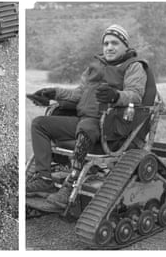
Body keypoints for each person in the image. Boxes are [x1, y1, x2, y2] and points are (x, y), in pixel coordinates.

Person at [27, 24, 148, 208]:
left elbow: (135, 95)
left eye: (115, 43)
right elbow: (78, 94)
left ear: (125, 45)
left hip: (108, 126)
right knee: (39, 124)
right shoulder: (94, 66)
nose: (109, 47)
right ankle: (44, 178)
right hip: (83, 119)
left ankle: (71, 184)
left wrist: (116, 96)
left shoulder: (134, 66)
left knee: (86, 127)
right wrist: (53, 93)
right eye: (106, 43)